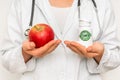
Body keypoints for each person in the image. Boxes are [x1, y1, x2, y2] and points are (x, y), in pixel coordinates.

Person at [0, 0, 120, 80]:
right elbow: (6, 59)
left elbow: (115, 57)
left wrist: (100, 54)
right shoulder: (23, 3)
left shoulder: (101, 3)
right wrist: (26, 53)